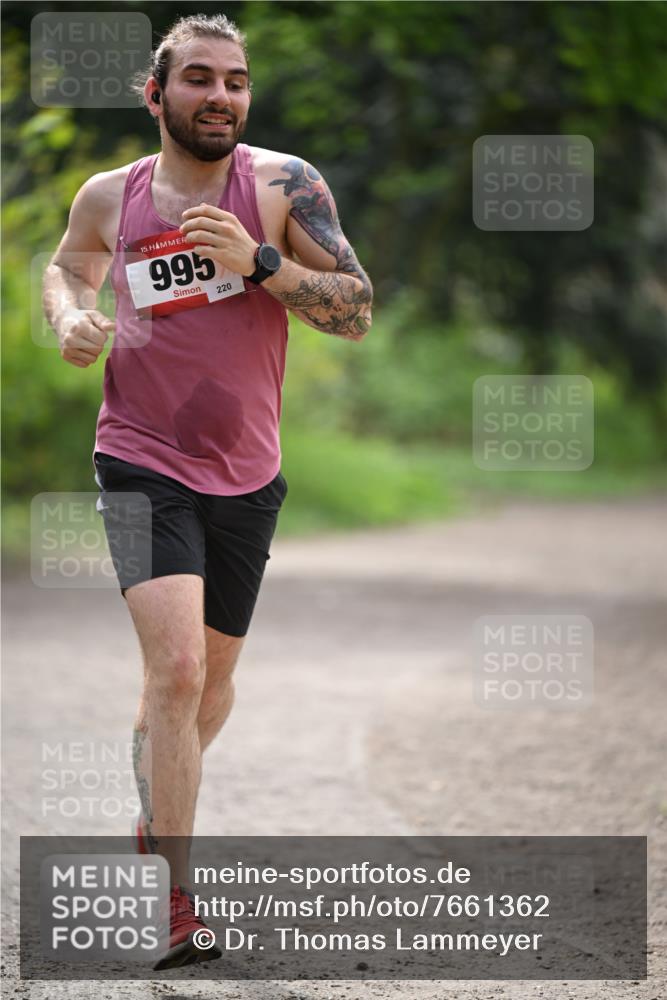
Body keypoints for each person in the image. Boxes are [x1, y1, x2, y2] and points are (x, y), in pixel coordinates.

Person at [42, 12, 372, 970]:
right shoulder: (110, 196)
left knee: (206, 686)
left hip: (247, 469)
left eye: (233, 80)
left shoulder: (282, 186)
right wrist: (72, 315)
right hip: (139, 454)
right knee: (178, 671)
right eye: (197, 78)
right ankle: (174, 901)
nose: (219, 95)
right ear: (156, 95)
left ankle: (157, 804)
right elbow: (69, 268)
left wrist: (258, 263)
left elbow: (354, 311)